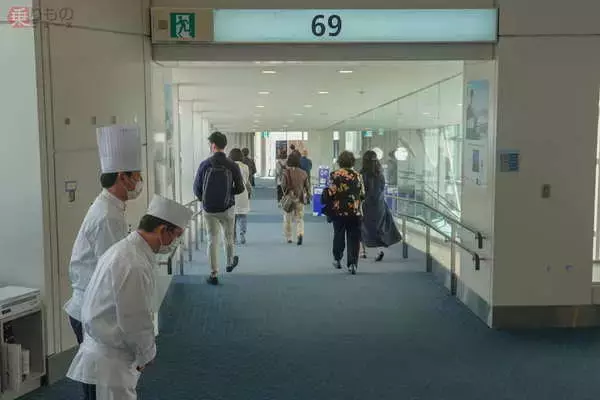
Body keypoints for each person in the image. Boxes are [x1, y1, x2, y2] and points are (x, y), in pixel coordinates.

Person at [67, 195, 193, 400]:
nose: (176, 242)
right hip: (110, 365)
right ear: (162, 230)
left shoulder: (125, 250)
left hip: (106, 358)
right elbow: (135, 319)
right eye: (177, 235)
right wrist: (146, 354)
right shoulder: (133, 264)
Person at [64, 125, 143, 400]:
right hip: (92, 311)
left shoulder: (110, 208)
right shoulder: (108, 216)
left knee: (98, 384)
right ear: (122, 177)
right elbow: (115, 274)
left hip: (90, 306)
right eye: (137, 176)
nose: (139, 182)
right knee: (98, 386)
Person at [193, 132, 245, 285]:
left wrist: (205, 199)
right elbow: (240, 188)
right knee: (228, 237)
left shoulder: (205, 164)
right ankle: (229, 262)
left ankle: (213, 273)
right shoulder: (232, 165)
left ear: (213, 145)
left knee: (212, 239)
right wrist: (228, 193)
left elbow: (196, 188)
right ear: (224, 145)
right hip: (227, 208)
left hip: (209, 210)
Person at [322, 151, 365, 275]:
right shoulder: (358, 175)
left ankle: (337, 259)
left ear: (339, 162)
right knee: (354, 237)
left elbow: (330, 192)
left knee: (339, 234)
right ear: (352, 162)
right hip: (354, 211)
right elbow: (363, 194)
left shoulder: (334, 175)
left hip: (338, 211)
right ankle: (352, 263)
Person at [360, 150, 402, 261]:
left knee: (362, 227)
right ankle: (379, 251)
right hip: (379, 205)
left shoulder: (362, 174)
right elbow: (382, 187)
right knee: (378, 228)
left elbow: (361, 190)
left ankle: (363, 251)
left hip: (366, 205)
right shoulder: (379, 173)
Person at [281, 152, 310, 245]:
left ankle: (289, 237)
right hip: (300, 198)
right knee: (299, 218)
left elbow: (283, 185)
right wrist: (308, 195)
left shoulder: (286, 172)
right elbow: (307, 186)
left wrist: (285, 194)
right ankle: (300, 234)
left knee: (287, 218)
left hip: (289, 198)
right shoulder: (303, 173)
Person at [230, 148, 251, 245]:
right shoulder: (245, 167)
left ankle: (233, 237)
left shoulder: (228, 166)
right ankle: (242, 234)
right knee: (242, 215)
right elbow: (246, 180)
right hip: (242, 192)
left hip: (232, 193)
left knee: (232, 217)